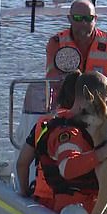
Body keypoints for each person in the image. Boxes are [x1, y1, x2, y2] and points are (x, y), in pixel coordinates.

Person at [35, 71, 107, 214]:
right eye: (106, 99)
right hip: (74, 205)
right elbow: (67, 168)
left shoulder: (51, 121)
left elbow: (22, 163)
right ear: (96, 98)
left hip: (74, 201)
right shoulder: (71, 132)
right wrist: (105, 152)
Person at [45, 0, 107, 99]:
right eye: (78, 18)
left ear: (95, 19)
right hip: (66, 102)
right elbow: (52, 79)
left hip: (101, 105)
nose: (83, 23)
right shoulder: (56, 43)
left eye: (88, 18)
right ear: (69, 19)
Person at [16, 70, 81, 203]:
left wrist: (24, 192)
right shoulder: (92, 125)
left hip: (46, 199)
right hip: (82, 200)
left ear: (60, 95)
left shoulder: (44, 124)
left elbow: (22, 163)